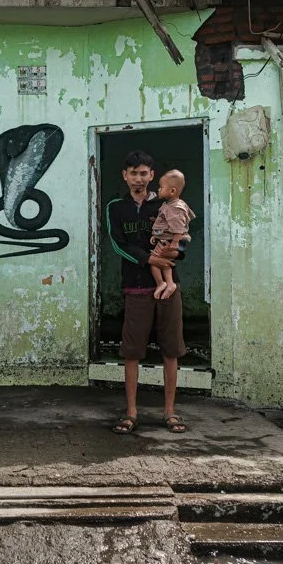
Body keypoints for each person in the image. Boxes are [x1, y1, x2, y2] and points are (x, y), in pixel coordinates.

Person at [104, 150, 188, 435]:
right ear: (124, 176)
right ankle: (130, 413)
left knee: (171, 350)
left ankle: (170, 412)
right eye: (133, 173)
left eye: (143, 173)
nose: (138, 179)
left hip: (168, 288)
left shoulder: (167, 203)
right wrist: (149, 259)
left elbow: (184, 236)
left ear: (152, 176)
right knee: (131, 352)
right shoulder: (116, 207)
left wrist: (177, 254)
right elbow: (118, 244)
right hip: (136, 288)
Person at [149, 170, 195, 300]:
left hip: (168, 241)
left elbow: (177, 227)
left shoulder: (175, 208)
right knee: (166, 262)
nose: (158, 189)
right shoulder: (169, 204)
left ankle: (161, 283)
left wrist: (175, 243)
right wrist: (157, 225)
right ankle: (169, 283)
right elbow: (166, 221)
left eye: (161, 187)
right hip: (165, 239)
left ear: (173, 191)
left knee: (154, 263)